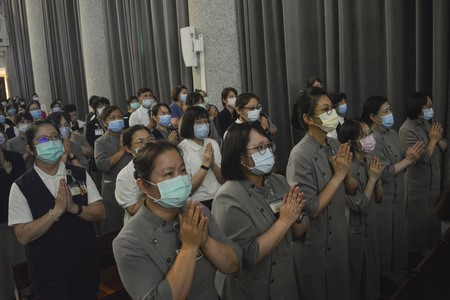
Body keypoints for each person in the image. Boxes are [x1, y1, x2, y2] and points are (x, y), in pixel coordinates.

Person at [113, 141, 241, 299]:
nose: (180, 179)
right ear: (144, 186)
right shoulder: (128, 242)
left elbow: (233, 264)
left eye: (182, 171)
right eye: (168, 174)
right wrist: (189, 246)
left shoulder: (197, 211)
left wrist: (205, 241)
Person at [8, 120, 106, 299]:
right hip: (49, 276)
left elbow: (100, 212)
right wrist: (56, 212)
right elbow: (23, 235)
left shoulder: (79, 174)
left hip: (85, 268)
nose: (51, 143)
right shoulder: (21, 186)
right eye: (44, 140)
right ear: (31, 148)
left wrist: (74, 208)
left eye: (55, 137)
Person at [212, 122, 306, 299]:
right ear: (240, 158)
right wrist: (285, 220)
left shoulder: (278, 181)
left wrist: (298, 215)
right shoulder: (228, 197)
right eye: (260, 148)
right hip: (252, 288)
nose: (268, 152)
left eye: (268, 146)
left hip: (284, 282)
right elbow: (248, 256)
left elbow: (299, 233)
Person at [286, 87, 352, 300]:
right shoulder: (300, 155)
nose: (331, 113)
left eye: (331, 108)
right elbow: (311, 208)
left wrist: (346, 173)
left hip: (339, 237)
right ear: (308, 118)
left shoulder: (335, 144)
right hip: (316, 244)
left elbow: (352, 188)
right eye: (325, 110)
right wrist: (338, 175)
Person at [361, 96, 424, 282]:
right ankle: (384, 280)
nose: (390, 115)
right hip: (383, 198)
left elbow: (400, 157)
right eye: (385, 112)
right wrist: (408, 160)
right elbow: (385, 173)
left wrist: (411, 155)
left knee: (398, 238)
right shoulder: (371, 139)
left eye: (390, 110)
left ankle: (398, 273)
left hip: (398, 195)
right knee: (384, 241)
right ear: (373, 117)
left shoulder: (392, 133)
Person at [338, 118, 383, 300]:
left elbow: (379, 198)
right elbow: (359, 205)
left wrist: (377, 179)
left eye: (369, 134)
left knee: (371, 273)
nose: (369, 139)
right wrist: (372, 179)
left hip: (369, 227)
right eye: (364, 136)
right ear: (352, 143)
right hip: (353, 231)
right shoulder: (345, 170)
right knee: (355, 277)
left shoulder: (368, 161)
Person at [399, 93, 447, 256]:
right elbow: (423, 158)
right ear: (419, 109)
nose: (431, 109)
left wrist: (438, 139)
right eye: (428, 106)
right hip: (418, 187)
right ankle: (416, 262)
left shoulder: (426, 124)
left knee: (433, 226)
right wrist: (433, 140)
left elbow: (444, 146)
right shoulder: (406, 130)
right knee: (417, 228)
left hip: (433, 183)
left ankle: (431, 256)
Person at [178, 107, 224, 210]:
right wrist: (205, 165)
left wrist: (212, 164)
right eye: (198, 123)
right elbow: (188, 190)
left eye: (206, 122)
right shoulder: (182, 149)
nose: (203, 125)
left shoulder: (213, 143)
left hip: (219, 196)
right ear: (188, 125)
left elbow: (223, 180)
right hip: (198, 201)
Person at [94, 106, 132, 232]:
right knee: (115, 226)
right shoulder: (100, 142)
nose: (118, 120)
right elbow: (102, 165)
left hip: (132, 185)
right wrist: (121, 150)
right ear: (105, 122)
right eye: (113, 118)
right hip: (112, 188)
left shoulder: (129, 135)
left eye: (120, 117)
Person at [0, 124, 27, 300]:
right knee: (4, 278)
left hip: (18, 220)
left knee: (21, 267)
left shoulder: (15, 157)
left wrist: (4, 165)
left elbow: (21, 186)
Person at [115, 125, 154, 223]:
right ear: (128, 148)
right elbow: (133, 210)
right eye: (140, 142)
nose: (147, 144)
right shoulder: (124, 176)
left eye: (149, 140)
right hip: (142, 225)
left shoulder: (163, 164)